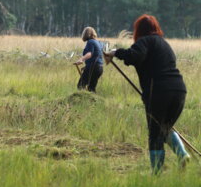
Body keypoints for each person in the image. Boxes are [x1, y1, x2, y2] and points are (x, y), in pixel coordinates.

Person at [104, 14, 190, 173]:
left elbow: (134, 56)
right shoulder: (164, 44)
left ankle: (156, 174)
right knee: (164, 128)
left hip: (159, 92)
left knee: (155, 134)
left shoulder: (145, 41)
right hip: (179, 91)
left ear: (139, 30)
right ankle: (183, 154)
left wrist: (115, 52)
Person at [74, 27, 104, 92]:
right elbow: (97, 55)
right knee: (91, 88)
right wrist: (86, 67)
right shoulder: (98, 42)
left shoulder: (90, 42)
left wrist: (81, 59)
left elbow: (90, 53)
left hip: (93, 67)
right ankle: (94, 101)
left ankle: (82, 100)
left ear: (85, 34)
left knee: (81, 85)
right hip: (99, 68)